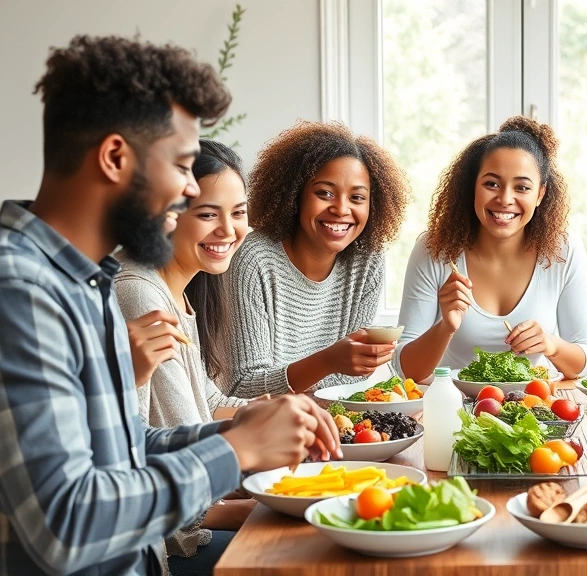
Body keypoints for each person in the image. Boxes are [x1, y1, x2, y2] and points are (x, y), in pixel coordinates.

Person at [0, 35, 340, 576]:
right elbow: (64, 526)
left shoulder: (81, 281)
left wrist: (238, 429)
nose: (187, 191)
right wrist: (238, 450)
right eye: (182, 166)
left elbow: (123, 447)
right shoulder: (20, 289)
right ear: (115, 157)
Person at [114, 139, 255, 572]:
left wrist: (272, 413)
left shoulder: (180, 290)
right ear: (168, 215)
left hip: (196, 510)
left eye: (239, 213)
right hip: (171, 542)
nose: (229, 230)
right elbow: (157, 448)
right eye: (209, 214)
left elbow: (207, 404)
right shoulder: (139, 292)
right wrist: (249, 509)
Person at [395, 116, 587, 382]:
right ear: (473, 188)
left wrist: (551, 345)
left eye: (522, 187)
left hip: (530, 411)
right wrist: (445, 326)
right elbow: (405, 370)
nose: (505, 199)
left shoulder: (563, 251)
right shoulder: (435, 249)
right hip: (452, 411)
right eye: (492, 184)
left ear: (540, 195)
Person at [225, 121, 410, 396]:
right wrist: (327, 362)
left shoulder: (367, 263)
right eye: (324, 193)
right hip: (266, 428)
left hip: (333, 422)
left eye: (357, 197)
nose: (341, 209)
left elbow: (350, 380)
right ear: (294, 194)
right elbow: (243, 387)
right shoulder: (254, 260)